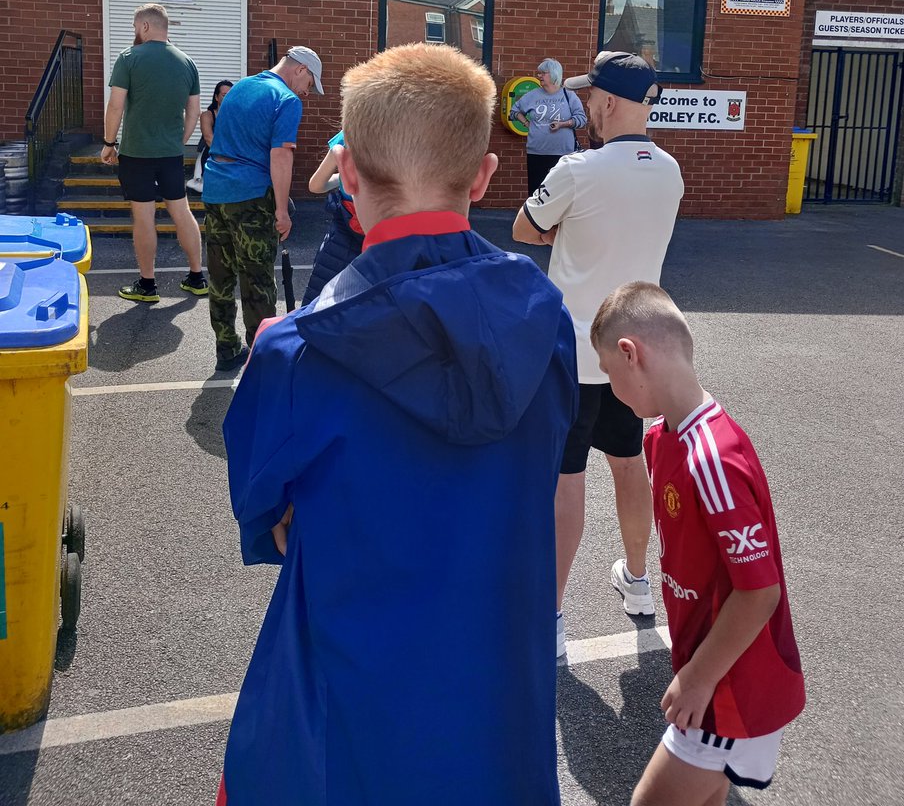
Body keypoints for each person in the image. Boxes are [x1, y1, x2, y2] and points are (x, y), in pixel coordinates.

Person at [217, 42, 578, 806]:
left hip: (348, 714)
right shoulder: (545, 319)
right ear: (483, 176)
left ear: (347, 177)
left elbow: (270, 520)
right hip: (494, 707)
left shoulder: (295, 352)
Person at [591, 283, 805, 806]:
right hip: (714, 673)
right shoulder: (661, 438)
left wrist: (697, 679)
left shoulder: (711, 458)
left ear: (630, 354)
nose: (612, 391)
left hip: (732, 685)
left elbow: (759, 592)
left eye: (610, 377)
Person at [512, 50, 684, 659]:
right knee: (628, 462)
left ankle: (554, 614)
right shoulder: (670, 172)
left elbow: (523, 228)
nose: (585, 105)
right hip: (635, 353)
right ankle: (639, 583)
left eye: (590, 97)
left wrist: (569, 230)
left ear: (609, 101)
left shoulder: (576, 170)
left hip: (575, 353)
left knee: (566, 478)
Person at [202, 46, 323, 372]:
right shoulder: (286, 100)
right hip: (252, 197)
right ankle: (262, 360)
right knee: (256, 281)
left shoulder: (240, 87)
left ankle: (226, 349)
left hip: (215, 191)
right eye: (310, 84)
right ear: (300, 69)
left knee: (220, 275)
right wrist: (281, 211)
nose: (306, 93)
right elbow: (281, 156)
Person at [102, 3, 207, 304]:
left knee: (144, 217)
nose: (135, 34)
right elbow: (194, 112)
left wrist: (110, 144)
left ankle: (148, 286)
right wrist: (179, 141)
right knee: (181, 212)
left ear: (145, 26)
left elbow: (115, 106)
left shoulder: (129, 58)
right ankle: (197, 277)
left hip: (137, 154)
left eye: (136, 28)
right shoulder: (187, 62)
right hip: (171, 155)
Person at [301, 128, 364, 307]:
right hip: (383, 246)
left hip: (339, 240)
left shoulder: (349, 133)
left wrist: (342, 178)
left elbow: (316, 185)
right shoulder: (409, 133)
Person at [510, 58, 587, 193]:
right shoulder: (532, 95)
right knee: (536, 192)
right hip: (537, 152)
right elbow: (514, 111)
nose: (539, 76)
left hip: (563, 154)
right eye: (539, 73)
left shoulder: (569, 95)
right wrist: (527, 123)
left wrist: (563, 124)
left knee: (561, 192)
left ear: (554, 74)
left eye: (543, 73)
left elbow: (581, 119)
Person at [187, 80, 233, 193]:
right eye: (224, 95)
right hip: (212, 153)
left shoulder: (237, 116)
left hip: (233, 154)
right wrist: (227, 156)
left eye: (231, 95)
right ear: (216, 97)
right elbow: (208, 138)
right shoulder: (208, 115)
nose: (227, 98)